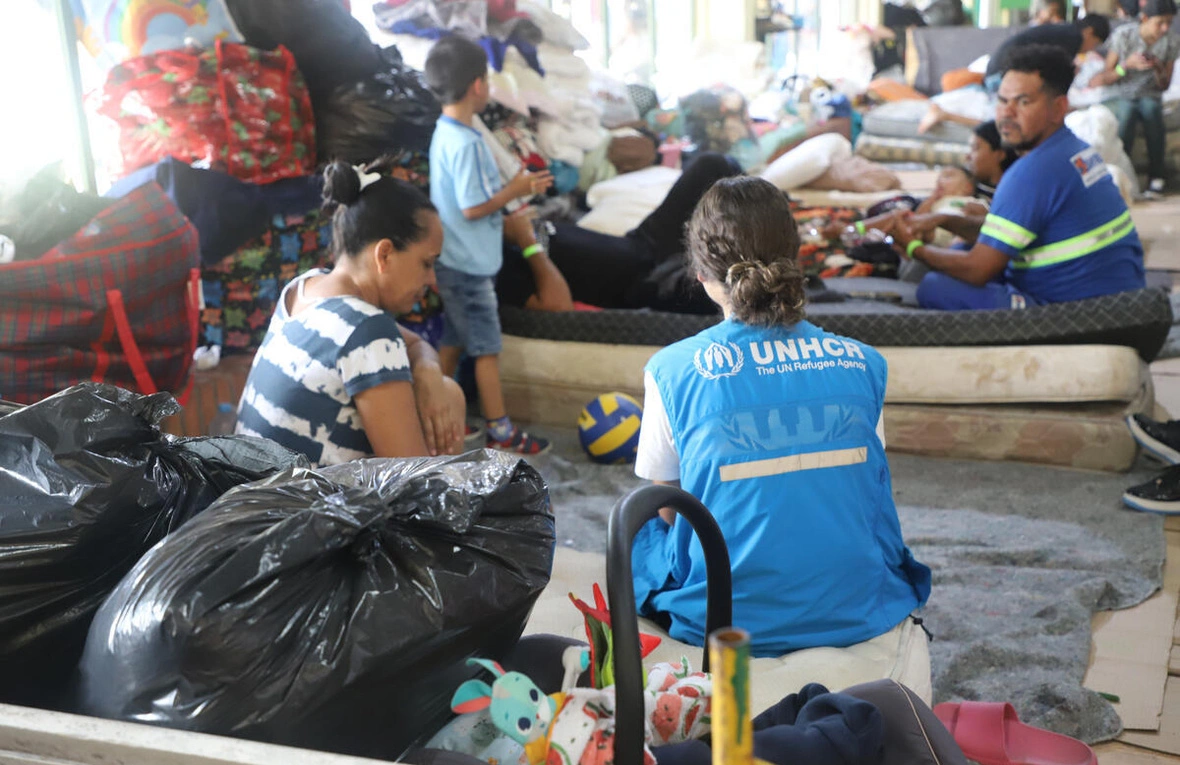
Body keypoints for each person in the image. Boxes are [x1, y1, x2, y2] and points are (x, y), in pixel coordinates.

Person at [629, 175, 931, 656]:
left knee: (638, 526)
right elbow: (863, 485)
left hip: (723, 617)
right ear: (796, 259)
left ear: (701, 273)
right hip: (857, 605)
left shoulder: (671, 370)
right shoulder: (865, 362)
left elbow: (669, 504)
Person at [236, 159, 466, 466]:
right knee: (451, 398)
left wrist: (428, 371)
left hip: (246, 498)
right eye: (427, 263)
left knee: (441, 390)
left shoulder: (303, 288)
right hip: (295, 512)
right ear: (384, 254)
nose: (432, 280)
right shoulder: (365, 329)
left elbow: (416, 345)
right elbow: (417, 482)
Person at [891, 44, 1146, 310]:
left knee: (935, 286)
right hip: (1121, 297)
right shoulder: (1074, 149)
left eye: (1023, 102)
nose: (1007, 113)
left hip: (1075, 313)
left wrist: (912, 248)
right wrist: (943, 219)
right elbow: (1007, 233)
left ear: (1058, 108)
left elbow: (978, 269)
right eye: (1002, 100)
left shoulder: (1031, 173)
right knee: (958, 253)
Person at [423, 35, 555, 455]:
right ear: (478, 86)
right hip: (468, 265)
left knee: (453, 341)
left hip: (456, 259)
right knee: (486, 349)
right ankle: (500, 429)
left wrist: (512, 192)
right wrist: (515, 189)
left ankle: (434, 418)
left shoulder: (447, 131)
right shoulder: (464, 142)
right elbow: (472, 207)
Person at [495, 152, 745, 315]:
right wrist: (529, 244)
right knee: (730, 277)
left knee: (715, 165)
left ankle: (770, 213)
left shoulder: (500, 229)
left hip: (641, 242)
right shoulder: (497, 263)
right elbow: (557, 307)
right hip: (649, 278)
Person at [917, 14, 1110, 134]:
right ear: (1090, 32)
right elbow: (1057, 79)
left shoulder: (1062, 32)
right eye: (1095, 43)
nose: (1090, 49)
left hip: (999, 69)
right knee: (999, 124)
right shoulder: (1072, 38)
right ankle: (944, 114)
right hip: (1004, 72)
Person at [1089, 0, 1180, 197]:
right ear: (1145, 19)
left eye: (1169, 23)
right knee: (1128, 112)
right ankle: (1122, 175)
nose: (1165, 28)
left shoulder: (1171, 41)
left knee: (1151, 110)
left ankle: (1157, 178)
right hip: (1119, 94)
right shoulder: (1124, 35)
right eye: (1160, 23)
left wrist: (1157, 67)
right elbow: (1105, 78)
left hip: (1149, 94)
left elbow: (1164, 85)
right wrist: (1126, 66)